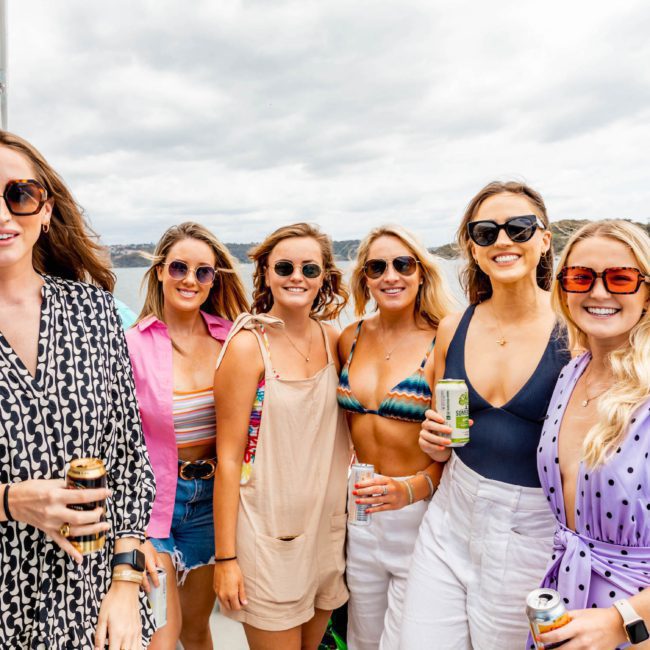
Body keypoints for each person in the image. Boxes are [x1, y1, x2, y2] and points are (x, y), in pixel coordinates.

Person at [0, 130, 155, 649]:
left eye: (18, 195)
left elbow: (131, 457)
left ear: (45, 210)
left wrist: (127, 584)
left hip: (91, 599)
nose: (4, 214)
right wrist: (10, 501)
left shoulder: (90, 309)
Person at [399, 181, 571, 649]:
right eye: (485, 231)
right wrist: (430, 440)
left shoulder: (574, 329)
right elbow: (437, 430)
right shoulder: (455, 325)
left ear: (544, 239)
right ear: (472, 248)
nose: (502, 241)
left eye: (518, 228)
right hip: (450, 516)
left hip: (531, 529)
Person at [213, 222, 351, 650]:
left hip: (326, 531)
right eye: (285, 266)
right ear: (267, 273)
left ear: (325, 277)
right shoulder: (248, 346)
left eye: (310, 269)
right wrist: (226, 560)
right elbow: (230, 460)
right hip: (267, 536)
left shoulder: (334, 339)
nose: (297, 277)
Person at [126, 222, 248, 650]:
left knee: (197, 630)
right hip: (155, 503)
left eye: (203, 272)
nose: (190, 280)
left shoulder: (232, 339)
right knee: (162, 635)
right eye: (179, 268)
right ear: (160, 271)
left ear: (215, 279)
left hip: (211, 502)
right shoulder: (131, 346)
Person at [532, 220, 650, 650]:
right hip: (569, 610)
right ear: (563, 289)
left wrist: (622, 623)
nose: (598, 293)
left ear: (647, 291)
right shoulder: (571, 373)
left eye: (621, 278)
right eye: (581, 277)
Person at [336, 225, 454, 649]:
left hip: (421, 515)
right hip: (360, 515)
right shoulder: (348, 338)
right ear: (364, 278)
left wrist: (415, 486)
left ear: (421, 273)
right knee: (363, 640)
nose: (391, 275)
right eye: (377, 266)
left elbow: (457, 443)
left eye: (403, 264)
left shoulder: (443, 339)